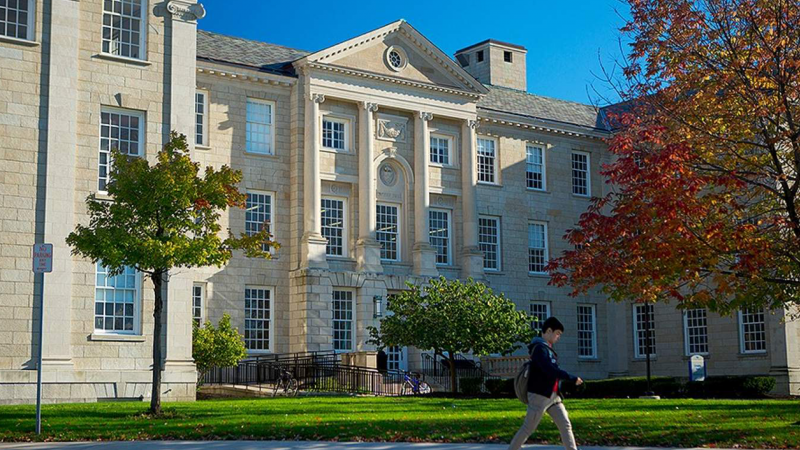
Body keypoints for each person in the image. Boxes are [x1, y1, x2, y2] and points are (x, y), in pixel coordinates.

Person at [508, 317, 583, 450]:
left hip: (553, 397)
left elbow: (552, 370)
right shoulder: (539, 350)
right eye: (557, 333)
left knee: (565, 425)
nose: (558, 337)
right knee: (527, 428)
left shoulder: (547, 349)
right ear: (548, 331)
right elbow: (549, 370)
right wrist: (571, 378)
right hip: (539, 396)